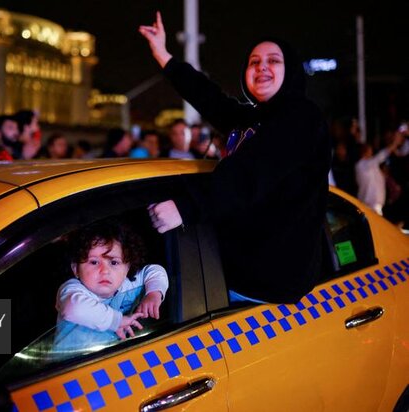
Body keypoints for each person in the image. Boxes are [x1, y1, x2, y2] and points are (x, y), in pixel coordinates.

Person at [140, 12, 331, 304]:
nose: (261, 67)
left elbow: (251, 173)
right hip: (232, 270)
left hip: (266, 287)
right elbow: (210, 98)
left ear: (290, 70)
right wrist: (164, 55)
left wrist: (186, 207)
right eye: (254, 62)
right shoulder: (253, 118)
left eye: (273, 61)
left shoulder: (301, 116)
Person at [54, 219, 168, 351]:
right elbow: (73, 308)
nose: (105, 271)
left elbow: (154, 271)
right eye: (94, 262)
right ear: (76, 269)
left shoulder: (128, 284)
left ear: (127, 267)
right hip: (67, 365)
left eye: (114, 262)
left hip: (109, 358)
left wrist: (153, 293)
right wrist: (117, 321)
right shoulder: (72, 290)